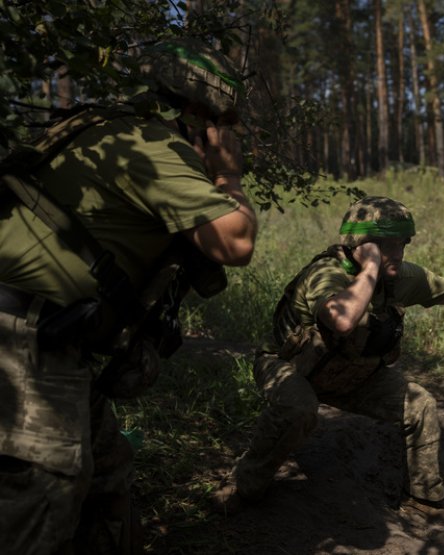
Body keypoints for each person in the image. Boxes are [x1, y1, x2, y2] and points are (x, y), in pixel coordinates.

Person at [0, 38, 257, 554]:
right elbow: (235, 241)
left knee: (107, 474)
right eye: (224, 123)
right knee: (42, 498)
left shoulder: (106, 129)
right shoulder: (155, 146)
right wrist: (228, 174)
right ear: (194, 114)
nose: (229, 135)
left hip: (47, 337)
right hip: (23, 339)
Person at [215, 196, 444, 524]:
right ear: (360, 245)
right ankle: (244, 485)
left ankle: (422, 499)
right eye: (386, 245)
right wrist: (370, 268)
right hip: (289, 366)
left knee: (420, 405)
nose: (397, 253)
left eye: (402, 243)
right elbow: (342, 320)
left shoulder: (399, 278)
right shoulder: (326, 274)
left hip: (347, 374)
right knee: (298, 407)